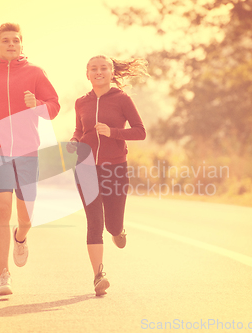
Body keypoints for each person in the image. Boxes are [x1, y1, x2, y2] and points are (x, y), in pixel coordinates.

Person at [0, 23, 60, 296]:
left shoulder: (34, 73)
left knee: (26, 217)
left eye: (16, 41)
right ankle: (3, 274)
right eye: (6, 40)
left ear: (22, 46)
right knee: (1, 209)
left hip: (27, 151)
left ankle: (20, 236)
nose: (11, 44)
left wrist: (39, 105)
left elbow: (54, 106)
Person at [67, 55, 148, 296]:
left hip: (115, 168)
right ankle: (98, 275)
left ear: (112, 73)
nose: (99, 72)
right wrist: (73, 142)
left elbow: (140, 132)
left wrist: (112, 132)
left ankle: (118, 230)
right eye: (94, 69)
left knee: (112, 225)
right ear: (87, 74)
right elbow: (79, 130)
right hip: (86, 168)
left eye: (104, 68)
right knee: (94, 223)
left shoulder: (122, 100)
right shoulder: (81, 102)